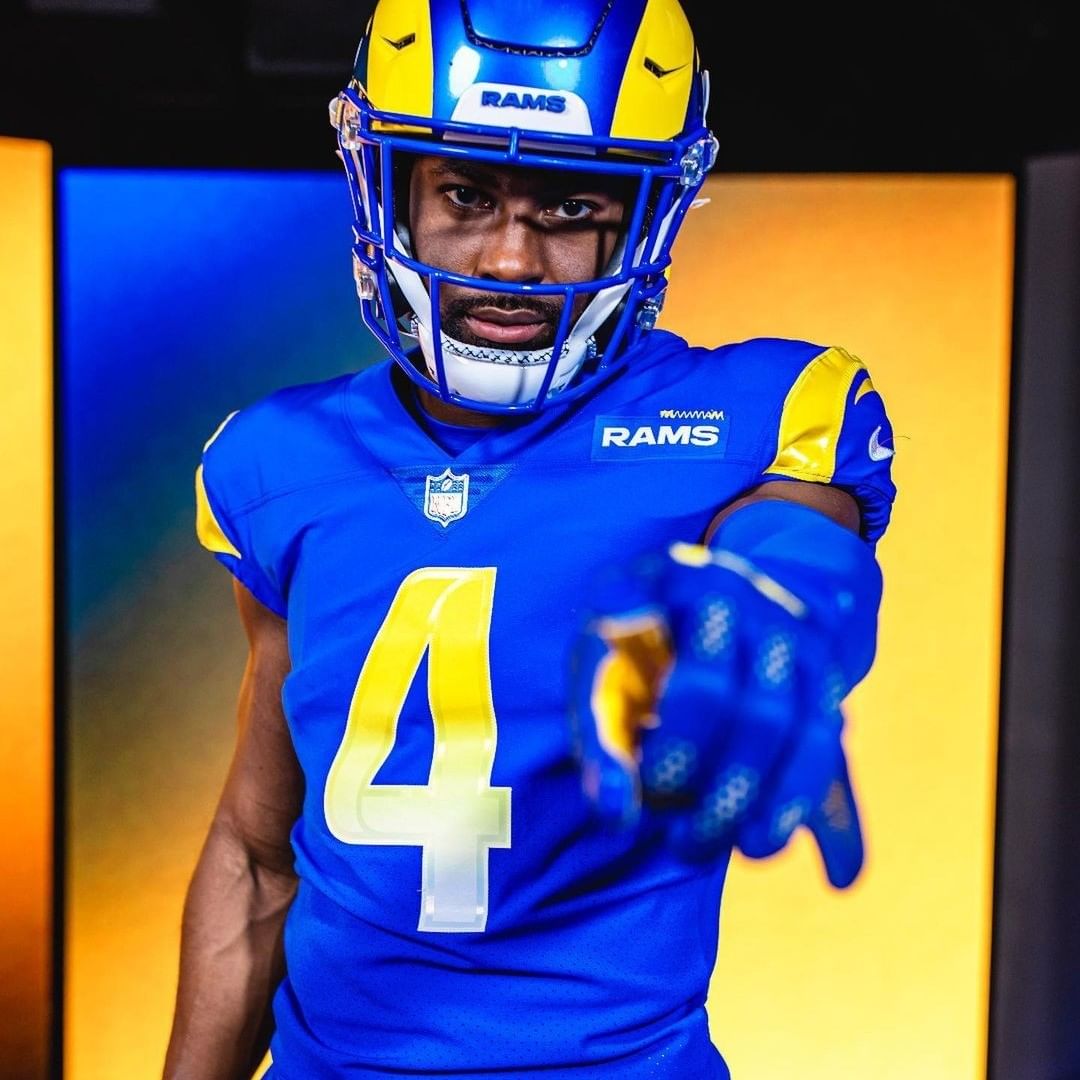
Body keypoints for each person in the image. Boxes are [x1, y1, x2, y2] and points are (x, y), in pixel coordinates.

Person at [163, 0, 897, 1077]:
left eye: (568, 203)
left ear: (643, 212)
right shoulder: (274, 462)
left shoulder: (758, 408)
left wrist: (765, 604)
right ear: (392, 185)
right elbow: (257, 852)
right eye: (466, 192)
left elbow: (798, 541)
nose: (509, 258)